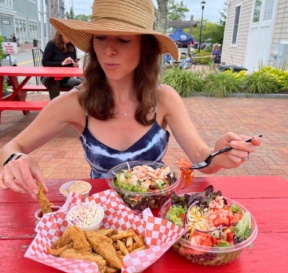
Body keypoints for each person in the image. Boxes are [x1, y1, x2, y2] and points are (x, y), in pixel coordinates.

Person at [0, 0, 261, 199]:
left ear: (144, 47)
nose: (108, 50)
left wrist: (220, 156)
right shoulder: (76, 103)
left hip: (155, 222)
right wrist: (16, 160)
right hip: (99, 222)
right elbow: (10, 148)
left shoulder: (164, 98)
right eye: (100, 38)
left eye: (123, 40)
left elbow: (203, 159)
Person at [41, 31, 81, 100]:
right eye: (67, 35)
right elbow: (45, 62)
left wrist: (75, 65)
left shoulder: (71, 46)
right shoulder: (52, 44)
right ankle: (55, 108)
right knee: (54, 84)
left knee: (80, 83)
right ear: (61, 34)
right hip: (49, 78)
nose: (69, 38)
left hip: (65, 79)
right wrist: (61, 63)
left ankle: (75, 107)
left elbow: (72, 63)